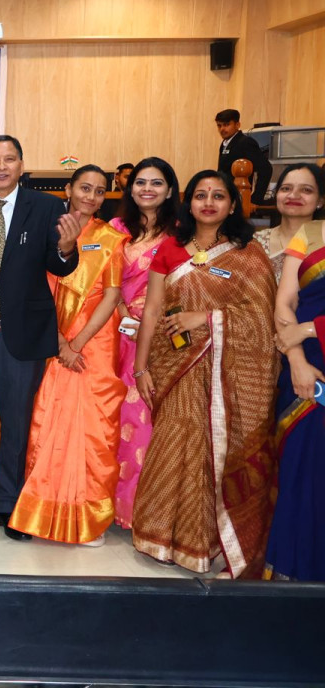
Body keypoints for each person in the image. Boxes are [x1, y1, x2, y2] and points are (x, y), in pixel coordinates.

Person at [132, 170, 277, 578]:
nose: (208, 202)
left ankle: (207, 542)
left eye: (218, 196)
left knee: (214, 452)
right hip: (175, 364)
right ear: (189, 203)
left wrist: (207, 317)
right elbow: (153, 311)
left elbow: (260, 318)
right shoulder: (170, 249)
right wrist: (140, 367)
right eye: (200, 195)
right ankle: (161, 536)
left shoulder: (249, 254)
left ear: (232, 205)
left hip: (228, 374)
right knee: (175, 443)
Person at [0, 135, 81, 542]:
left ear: (21, 166)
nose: (1, 167)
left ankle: (8, 504)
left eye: (9, 160)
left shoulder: (47, 207)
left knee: (17, 426)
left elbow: (59, 266)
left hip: (22, 337)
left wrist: (67, 248)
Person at [9, 165, 127, 546]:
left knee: (92, 429)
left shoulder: (111, 239)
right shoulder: (46, 230)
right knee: (49, 423)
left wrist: (76, 344)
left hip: (95, 342)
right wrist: (59, 340)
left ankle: (86, 516)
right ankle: (44, 511)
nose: (91, 196)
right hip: (50, 336)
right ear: (68, 189)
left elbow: (112, 295)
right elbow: (34, 288)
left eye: (99, 191)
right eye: (84, 188)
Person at [110, 157, 180, 529]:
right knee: (117, 418)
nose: (147, 189)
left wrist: (151, 323)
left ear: (169, 191)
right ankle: (113, 508)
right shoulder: (116, 229)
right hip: (116, 331)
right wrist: (125, 315)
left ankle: (146, 512)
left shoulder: (180, 233)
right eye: (140, 182)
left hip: (162, 335)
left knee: (148, 419)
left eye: (156, 183)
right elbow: (103, 281)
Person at [268, 209, 325, 580]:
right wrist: (297, 361)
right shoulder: (311, 233)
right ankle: (296, 572)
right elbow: (284, 303)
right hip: (310, 371)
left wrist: (308, 329)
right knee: (302, 471)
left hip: (310, 340)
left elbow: (297, 324)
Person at [254, 165, 325, 282]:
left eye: (306, 190)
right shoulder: (256, 242)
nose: (293, 195)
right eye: (286, 189)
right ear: (276, 195)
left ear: (320, 201)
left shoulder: (322, 241)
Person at [215, 109, 270, 202]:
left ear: (237, 125)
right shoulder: (224, 143)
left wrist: (256, 198)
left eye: (226, 125)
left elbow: (266, 169)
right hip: (225, 196)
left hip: (239, 198)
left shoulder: (246, 142)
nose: (222, 129)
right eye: (219, 125)